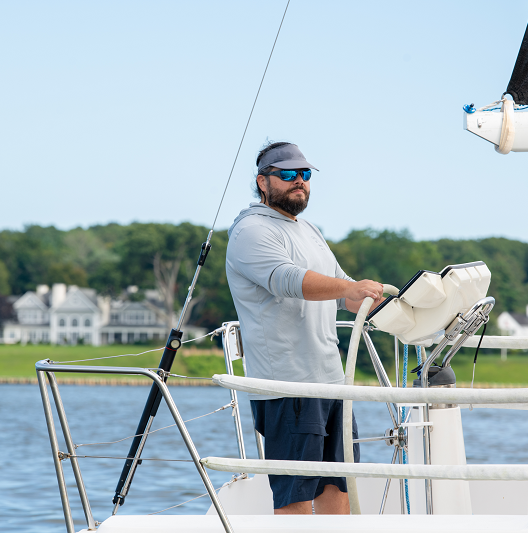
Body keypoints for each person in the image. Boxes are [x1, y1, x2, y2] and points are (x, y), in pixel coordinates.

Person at [225, 141, 383, 515]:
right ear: (263, 182)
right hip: (287, 387)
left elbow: (345, 293)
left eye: (305, 174)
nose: (300, 181)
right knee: (295, 497)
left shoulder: (309, 230)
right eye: (288, 174)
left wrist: (393, 301)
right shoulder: (250, 230)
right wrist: (348, 288)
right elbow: (286, 279)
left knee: (340, 488)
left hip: (331, 383)